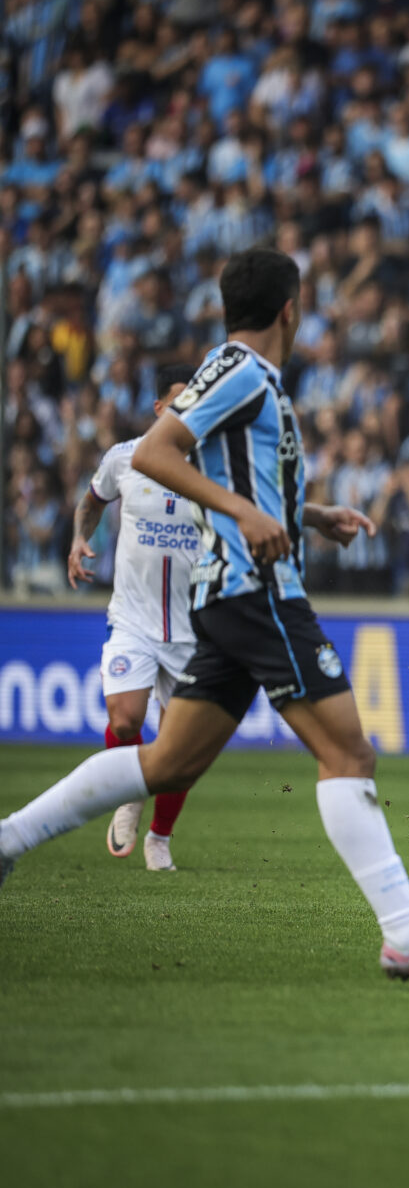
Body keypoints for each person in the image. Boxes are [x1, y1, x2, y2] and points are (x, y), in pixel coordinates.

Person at [1, 247, 409, 989]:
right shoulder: (242, 372)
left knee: (167, 763)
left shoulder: (229, 371)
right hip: (258, 592)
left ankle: (8, 841)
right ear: (290, 310)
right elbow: (156, 455)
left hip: (225, 596)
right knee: (349, 754)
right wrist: (241, 512)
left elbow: (241, 473)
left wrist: (311, 512)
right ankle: (407, 936)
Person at [67, 364, 200, 870]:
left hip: (191, 629)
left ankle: (160, 837)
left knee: (180, 747)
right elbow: (92, 502)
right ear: (159, 409)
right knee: (125, 722)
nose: (189, 411)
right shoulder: (124, 458)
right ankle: (129, 795)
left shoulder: (211, 465)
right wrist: (80, 537)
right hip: (133, 620)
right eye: (180, 402)